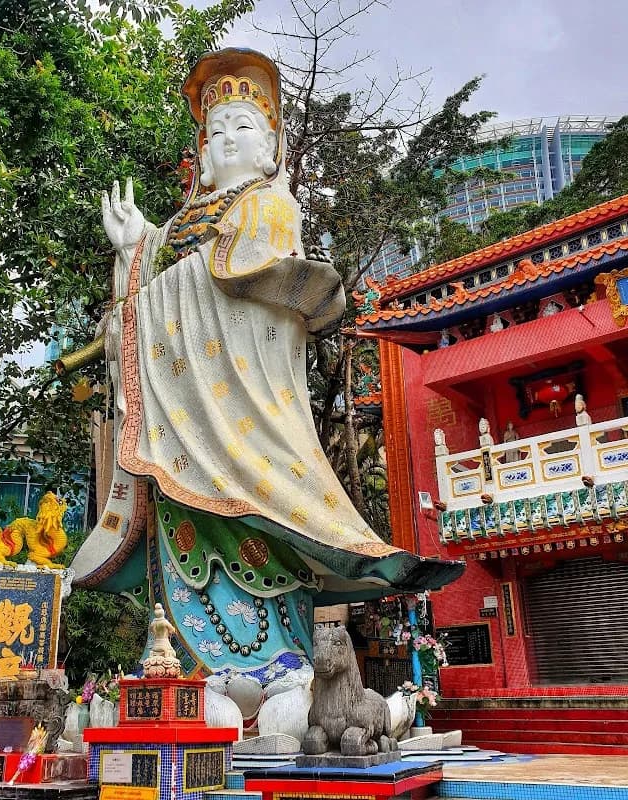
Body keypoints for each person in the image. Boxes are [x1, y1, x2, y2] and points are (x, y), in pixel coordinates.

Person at [70, 48, 462, 682]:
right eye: (215, 131)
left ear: (272, 147)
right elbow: (153, 300)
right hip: (184, 428)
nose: (227, 141)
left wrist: (154, 277)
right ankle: (195, 671)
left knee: (262, 534)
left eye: (243, 128)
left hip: (245, 418)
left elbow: (235, 276)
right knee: (189, 535)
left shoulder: (268, 208)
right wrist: (137, 248)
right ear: (200, 153)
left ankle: (277, 668)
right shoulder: (180, 227)